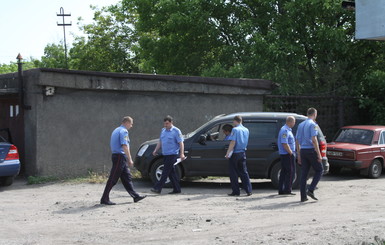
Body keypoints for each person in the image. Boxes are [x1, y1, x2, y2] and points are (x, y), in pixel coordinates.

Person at [101, 116, 146, 205]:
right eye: (131, 124)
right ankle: (104, 199)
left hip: (118, 156)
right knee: (113, 178)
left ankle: (135, 196)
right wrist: (129, 159)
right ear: (127, 122)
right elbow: (124, 146)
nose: (131, 126)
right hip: (119, 157)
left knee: (127, 178)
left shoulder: (116, 130)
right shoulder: (124, 131)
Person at [151, 116, 185, 194]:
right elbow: (160, 141)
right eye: (164, 123)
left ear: (171, 122)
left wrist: (182, 153)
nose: (165, 125)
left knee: (165, 172)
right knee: (171, 173)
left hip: (172, 154)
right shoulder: (163, 130)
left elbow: (181, 143)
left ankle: (157, 188)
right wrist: (156, 150)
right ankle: (177, 189)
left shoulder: (176, 131)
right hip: (165, 154)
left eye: (167, 123)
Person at [296, 108, 323, 202]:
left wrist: (299, 154)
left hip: (303, 150)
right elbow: (314, 139)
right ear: (314, 114)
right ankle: (311, 189)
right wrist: (319, 154)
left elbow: (297, 140)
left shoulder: (300, 124)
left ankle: (303, 196)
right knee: (319, 170)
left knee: (304, 174)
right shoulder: (313, 124)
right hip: (311, 150)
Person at [225, 115, 252, 196]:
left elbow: (233, 142)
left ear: (235, 121)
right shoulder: (246, 130)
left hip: (235, 153)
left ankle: (236, 191)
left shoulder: (235, 129)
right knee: (244, 172)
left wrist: (228, 153)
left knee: (233, 173)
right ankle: (248, 190)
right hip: (243, 152)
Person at [277, 116, 296, 195]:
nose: (294, 124)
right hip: (287, 154)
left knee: (284, 172)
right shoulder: (285, 130)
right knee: (290, 172)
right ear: (290, 122)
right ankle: (287, 190)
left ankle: (281, 189)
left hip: (285, 154)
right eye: (294, 122)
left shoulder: (287, 130)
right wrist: (291, 152)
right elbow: (284, 143)